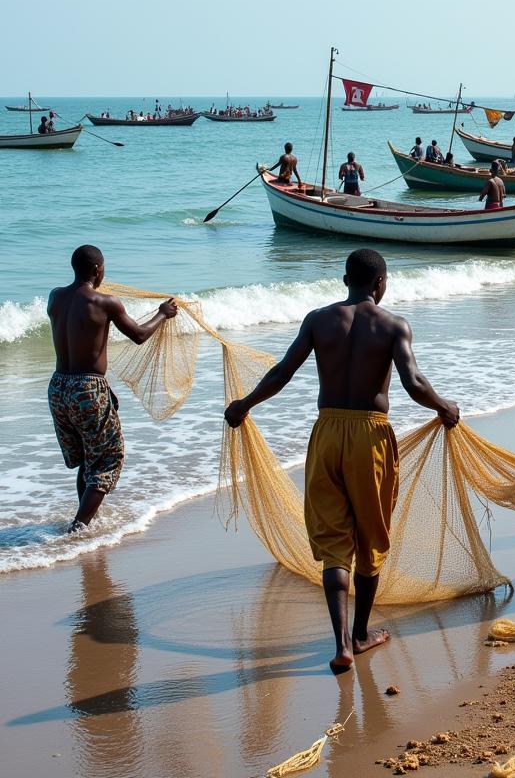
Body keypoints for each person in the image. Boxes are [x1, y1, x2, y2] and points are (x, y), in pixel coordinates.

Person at [224, 249, 459, 673]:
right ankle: (361, 633)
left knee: (335, 543)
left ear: (345, 279)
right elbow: (413, 381)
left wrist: (244, 404)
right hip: (370, 435)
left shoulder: (319, 320)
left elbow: (281, 373)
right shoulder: (392, 325)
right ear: (381, 283)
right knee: (370, 537)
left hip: (327, 432)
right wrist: (445, 407)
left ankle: (341, 646)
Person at [47, 246, 177, 531]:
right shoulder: (106, 302)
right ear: (96, 270)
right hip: (87, 388)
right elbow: (139, 335)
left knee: (86, 455)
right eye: (103, 268)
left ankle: (84, 523)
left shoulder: (55, 297)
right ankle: (78, 530)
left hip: (58, 387)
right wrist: (162, 313)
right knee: (108, 456)